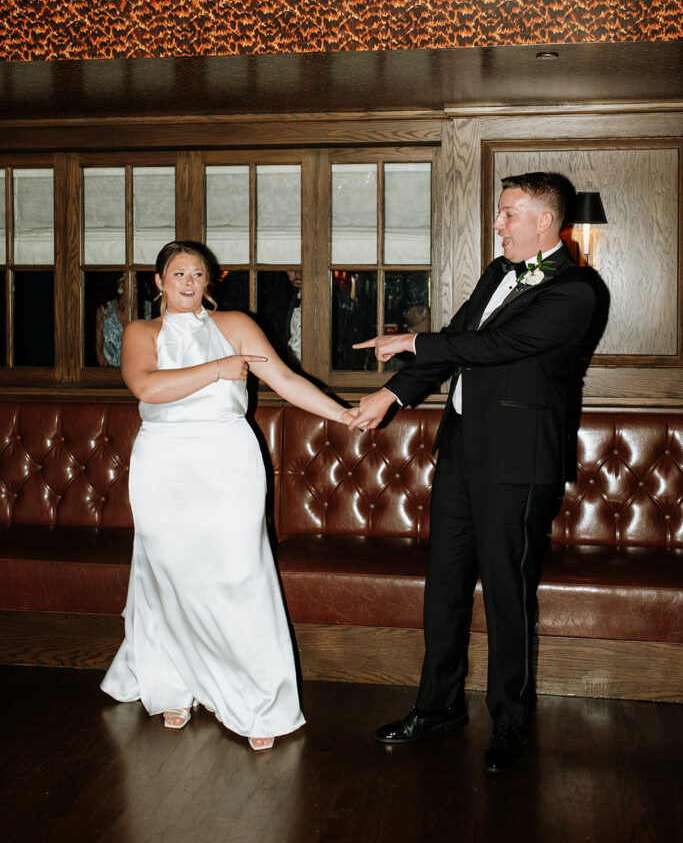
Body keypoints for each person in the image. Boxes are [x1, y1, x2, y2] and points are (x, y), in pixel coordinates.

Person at [349, 172, 595, 772]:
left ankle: (509, 722)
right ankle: (438, 706)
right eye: (498, 213)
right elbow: (461, 337)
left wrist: (412, 340)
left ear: (544, 221)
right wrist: (393, 395)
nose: (497, 223)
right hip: (460, 454)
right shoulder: (496, 272)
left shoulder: (577, 291)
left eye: (508, 213)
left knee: (507, 596)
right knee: (445, 586)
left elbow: (493, 347)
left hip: (519, 465)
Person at [101, 241, 354, 751]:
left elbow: (284, 378)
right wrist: (219, 369)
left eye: (198, 274)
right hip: (164, 466)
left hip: (228, 463)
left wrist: (344, 415)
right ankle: (175, 682)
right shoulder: (141, 332)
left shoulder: (235, 325)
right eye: (178, 274)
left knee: (241, 578)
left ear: (210, 280)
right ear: (159, 282)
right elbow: (146, 387)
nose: (188, 282)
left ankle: (258, 702)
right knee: (171, 576)